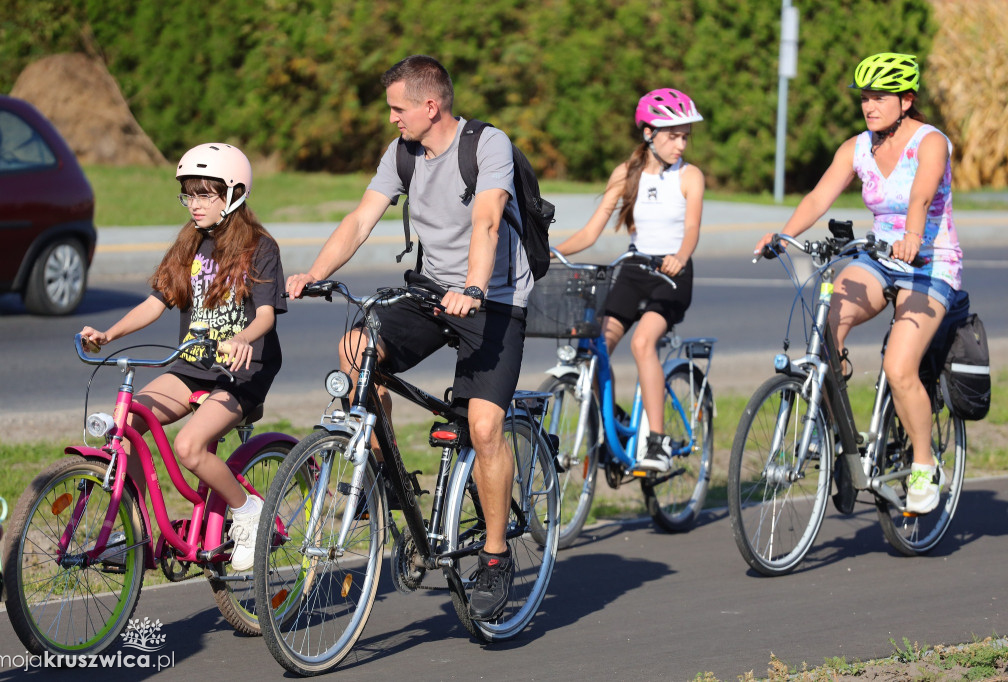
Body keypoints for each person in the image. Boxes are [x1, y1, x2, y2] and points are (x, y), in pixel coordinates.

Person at [285, 55, 530, 620]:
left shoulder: (487, 145)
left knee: (484, 425)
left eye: (398, 108)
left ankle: (495, 558)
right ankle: (391, 477)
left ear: (430, 105)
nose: (391, 118)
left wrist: (473, 284)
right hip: (430, 292)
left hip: (491, 299)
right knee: (356, 349)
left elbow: (489, 218)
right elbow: (360, 218)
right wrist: (314, 272)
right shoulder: (402, 153)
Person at [753, 52, 963, 514]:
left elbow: (922, 194)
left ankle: (924, 465)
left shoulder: (930, 142)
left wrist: (912, 236)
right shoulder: (857, 147)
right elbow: (819, 195)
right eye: (865, 97)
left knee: (898, 365)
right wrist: (784, 235)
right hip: (879, 259)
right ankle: (840, 438)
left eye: (880, 97)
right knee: (826, 329)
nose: (869, 105)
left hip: (928, 263)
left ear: (906, 100)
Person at [80, 143, 287, 570]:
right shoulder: (189, 243)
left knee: (189, 447)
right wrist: (108, 334)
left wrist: (243, 338)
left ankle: (248, 511)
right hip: (192, 364)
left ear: (234, 195)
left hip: (241, 370)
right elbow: (156, 303)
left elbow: (266, 315)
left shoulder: (260, 247)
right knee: (127, 422)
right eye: (189, 194)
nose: (195, 205)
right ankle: (139, 531)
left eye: (206, 194)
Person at [553, 88, 705, 472]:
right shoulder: (626, 173)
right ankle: (615, 422)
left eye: (686, 135)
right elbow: (591, 232)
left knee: (642, 342)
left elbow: (691, 229)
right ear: (649, 133)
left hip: (672, 276)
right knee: (596, 345)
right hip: (634, 270)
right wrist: (550, 253)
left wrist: (680, 257)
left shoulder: (690, 176)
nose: (681, 144)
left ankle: (655, 441)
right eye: (674, 135)